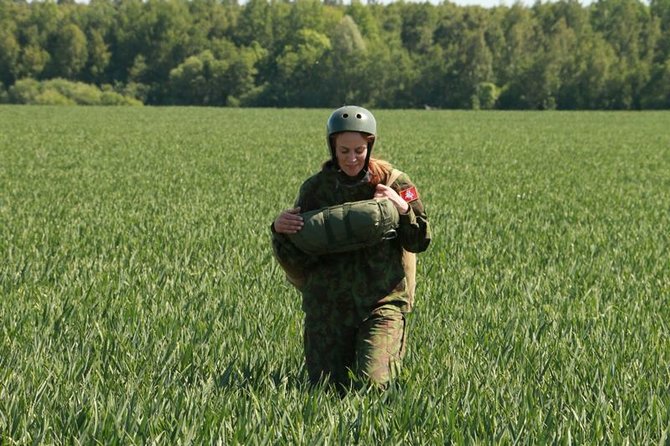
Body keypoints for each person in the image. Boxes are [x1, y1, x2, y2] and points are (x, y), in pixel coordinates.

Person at [271, 105, 431, 390]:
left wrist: (402, 207)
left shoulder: (395, 181)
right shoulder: (315, 189)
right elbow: (298, 255)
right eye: (344, 151)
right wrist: (280, 230)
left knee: (374, 384)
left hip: (381, 304)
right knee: (325, 390)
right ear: (332, 147)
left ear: (370, 145)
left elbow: (420, 241)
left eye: (359, 150)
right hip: (328, 308)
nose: (352, 158)